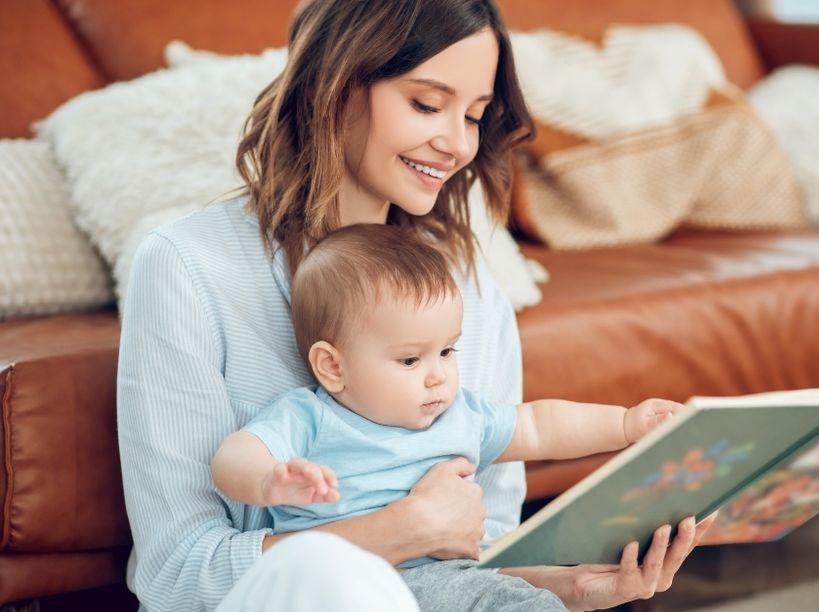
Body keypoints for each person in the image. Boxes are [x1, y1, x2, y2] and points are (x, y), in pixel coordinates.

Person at [116, 0, 714, 610]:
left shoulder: (469, 296)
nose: (456, 144)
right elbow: (175, 575)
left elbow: (475, 561)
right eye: (427, 104)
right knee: (324, 570)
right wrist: (403, 530)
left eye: (474, 115)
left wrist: (577, 588)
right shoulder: (187, 268)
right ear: (336, 86)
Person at [211, 222, 689, 611]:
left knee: (523, 600)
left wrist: (627, 424)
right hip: (356, 588)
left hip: (454, 580)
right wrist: (269, 480)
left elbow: (540, 426)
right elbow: (235, 455)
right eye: (410, 360)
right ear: (333, 367)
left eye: (446, 350)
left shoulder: (459, 416)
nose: (438, 375)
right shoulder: (311, 417)